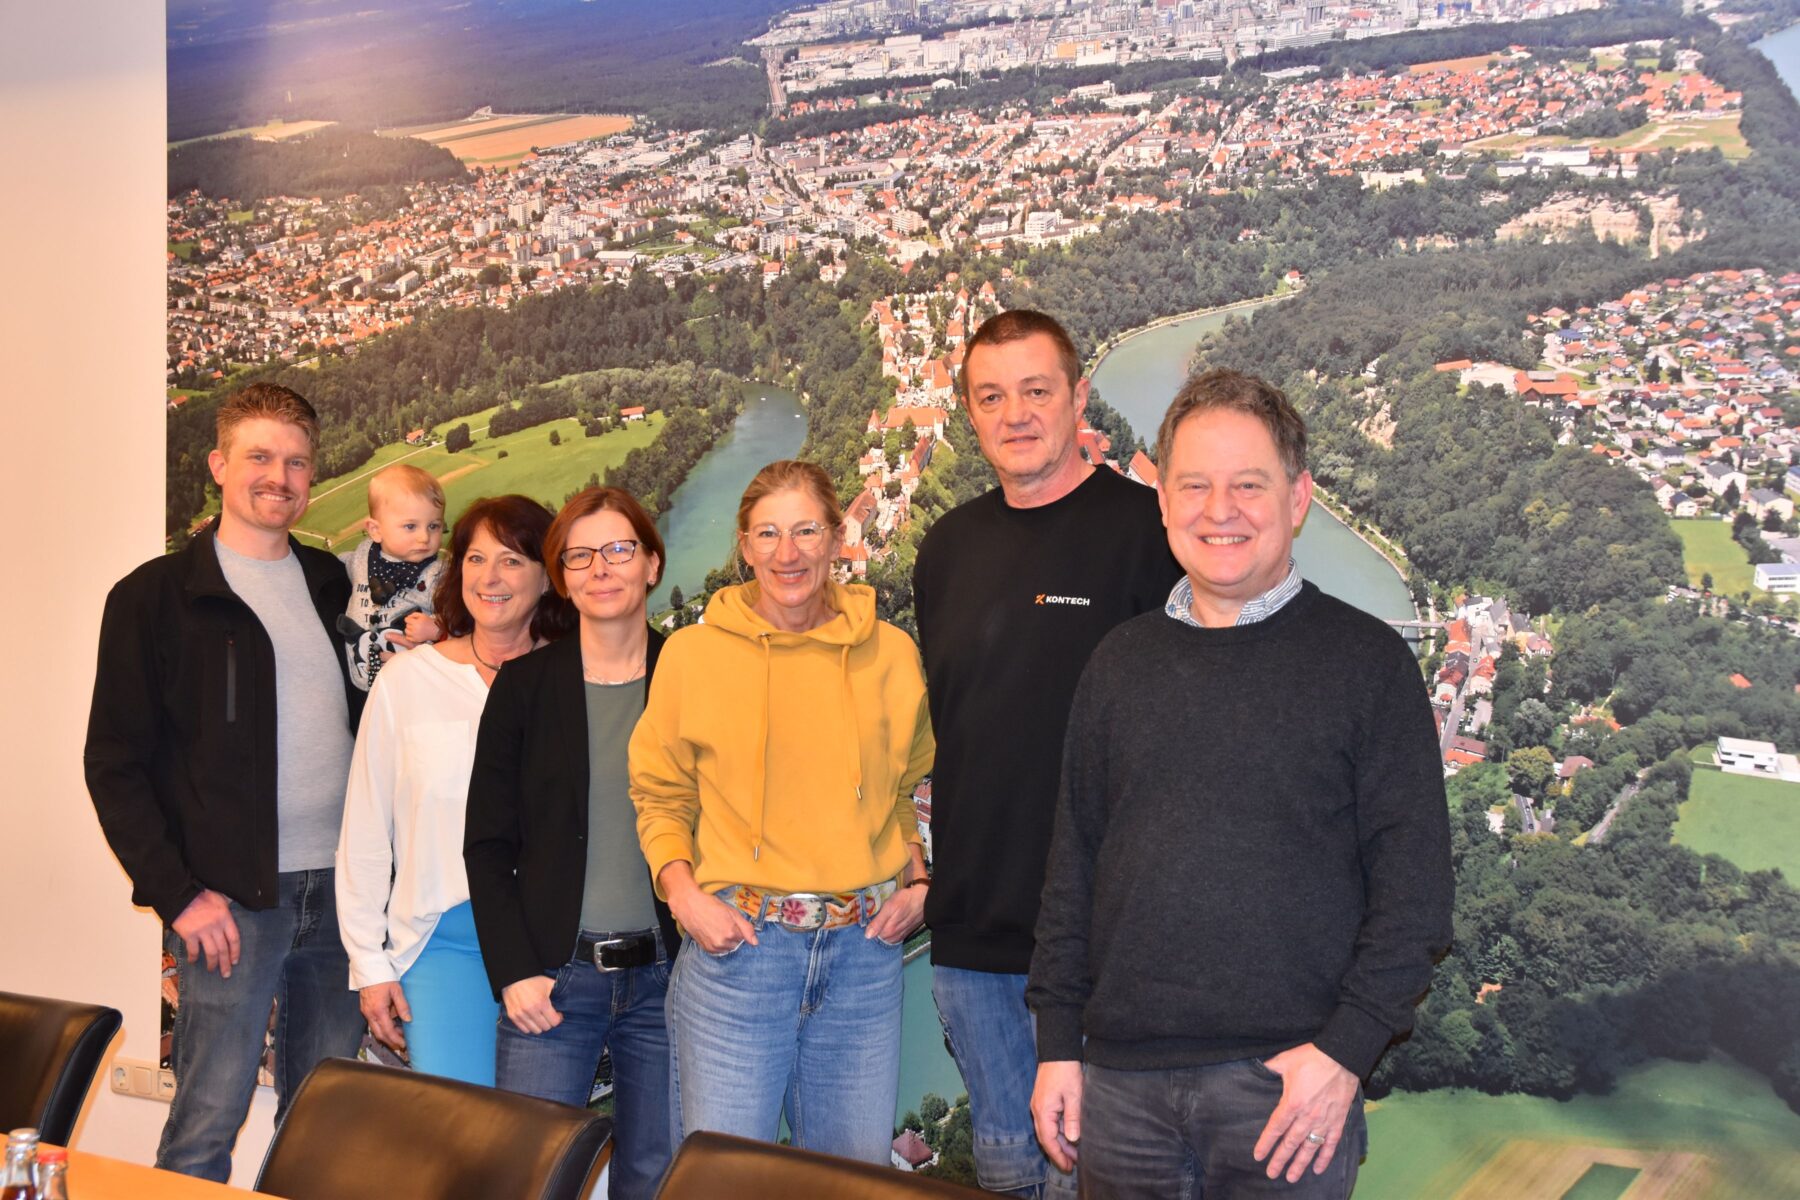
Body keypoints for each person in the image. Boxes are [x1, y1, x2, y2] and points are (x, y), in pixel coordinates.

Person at [1027, 369, 1454, 1199]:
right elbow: (1071, 875)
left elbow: (1416, 897)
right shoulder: (1118, 665)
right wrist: (1056, 1045)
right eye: (1194, 485)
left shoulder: (1367, 666)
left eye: (1248, 485)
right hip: (1118, 1091)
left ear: (1299, 498)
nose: (1219, 511)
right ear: (1162, 500)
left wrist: (1344, 1055)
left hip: (1287, 1096)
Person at [912, 310, 1181, 1196]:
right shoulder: (947, 548)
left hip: (1110, 941)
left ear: (1078, 396)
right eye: (992, 396)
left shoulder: (1153, 535)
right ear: (971, 414)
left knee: (1102, 1178)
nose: (1016, 413)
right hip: (974, 937)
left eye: (1037, 390)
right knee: (1006, 1168)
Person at [84, 383, 368, 1181]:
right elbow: (113, 763)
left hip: (343, 894)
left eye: (297, 461)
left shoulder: (331, 585)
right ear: (218, 465)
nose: (279, 476)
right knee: (210, 1113)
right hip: (231, 902)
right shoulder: (154, 598)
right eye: (259, 457)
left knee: (324, 1117)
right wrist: (179, 894)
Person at [632, 459, 935, 1164]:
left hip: (863, 959)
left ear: (836, 537)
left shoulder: (890, 653)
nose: (787, 553)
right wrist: (684, 898)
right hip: (740, 953)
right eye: (767, 534)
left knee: (849, 1179)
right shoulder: (693, 655)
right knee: (725, 1180)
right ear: (743, 546)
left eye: (805, 531)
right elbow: (660, 793)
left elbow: (909, 791)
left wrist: (920, 885)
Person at [465, 487, 680, 1200]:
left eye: (619, 549)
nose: (601, 568)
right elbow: (487, 844)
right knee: (528, 1178)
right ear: (562, 577)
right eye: (579, 555)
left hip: (670, 985)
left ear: (651, 563)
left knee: (655, 1179)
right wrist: (514, 970)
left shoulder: (694, 675)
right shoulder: (525, 688)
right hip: (553, 982)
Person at [336, 495, 575, 1085]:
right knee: (459, 1136)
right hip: (444, 946)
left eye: (512, 560)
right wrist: (370, 966)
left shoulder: (577, 681)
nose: (490, 578)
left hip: (558, 946)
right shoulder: (408, 681)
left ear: (548, 577)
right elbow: (366, 831)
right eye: (474, 559)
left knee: (539, 1141)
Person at [336, 464, 446, 690]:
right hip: (364, 684)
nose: (424, 537)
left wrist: (437, 628)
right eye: (410, 526)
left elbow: (462, 620)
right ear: (375, 530)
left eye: (434, 526)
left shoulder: (439, 574)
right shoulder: (363, 555)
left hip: (414, 686)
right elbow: (341, 565)